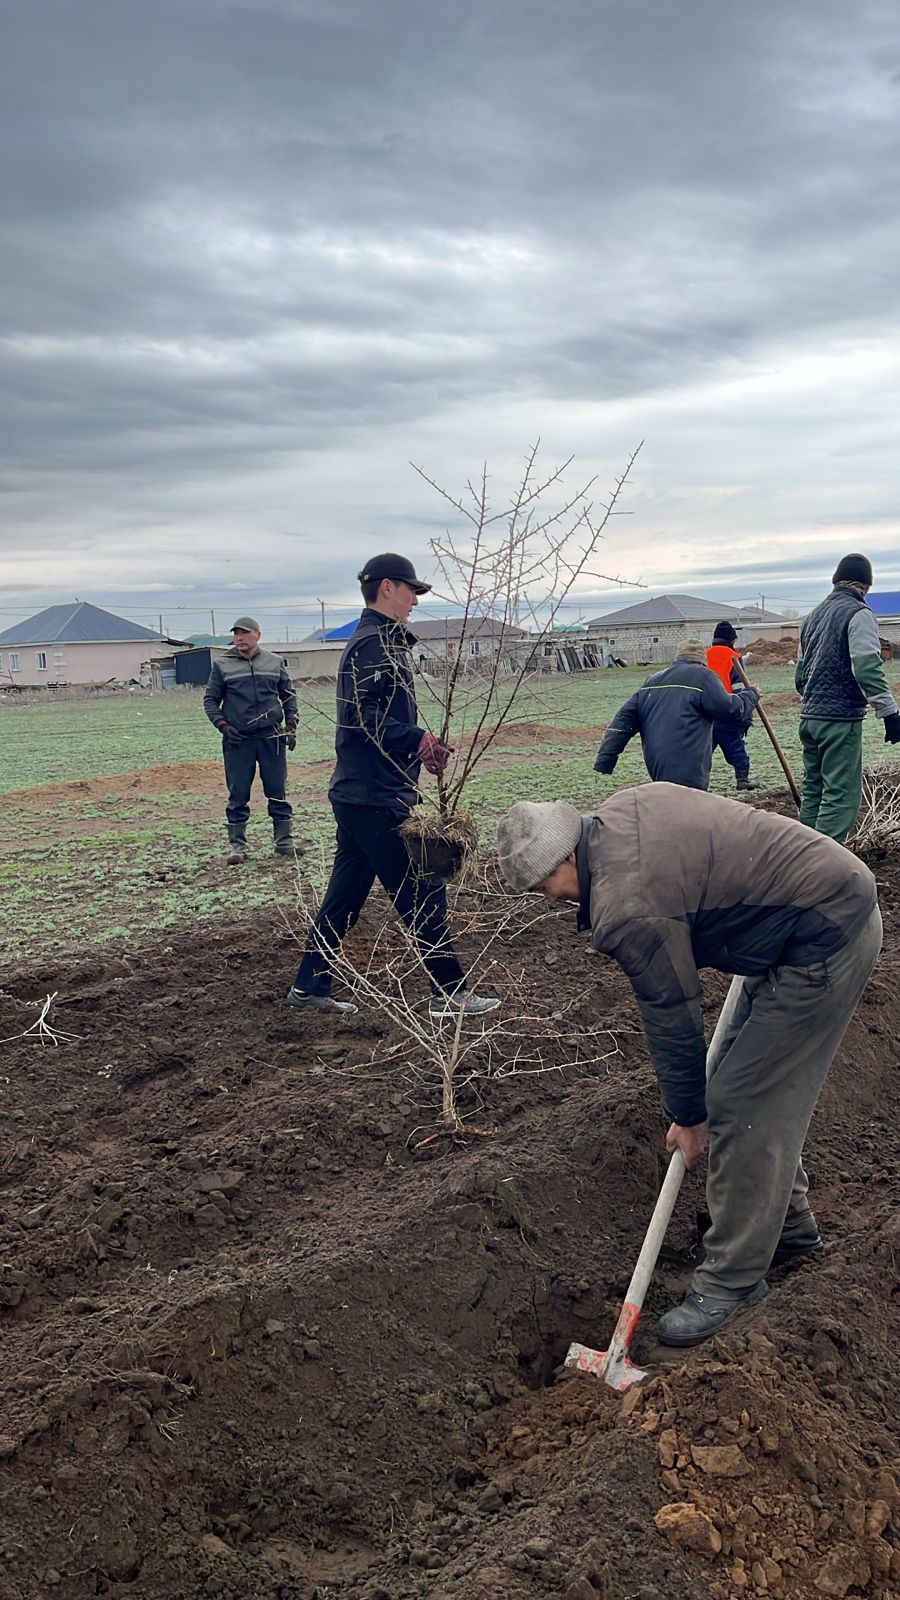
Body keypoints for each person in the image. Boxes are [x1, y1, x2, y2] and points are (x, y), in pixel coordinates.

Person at [495, 785, 881, 1345]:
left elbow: (672, 1012)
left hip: (824, 937)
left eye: (543, 886)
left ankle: (733, 1282)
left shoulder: (626, 907)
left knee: (743, 1103)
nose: (548, 899)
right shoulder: (622, 812)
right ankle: (786, 1230)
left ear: (565, 857)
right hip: (794, 919)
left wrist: (689, 1116)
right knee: (737, 1083)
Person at [286, 553, 498, 1018]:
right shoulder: (373, 646)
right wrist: (416, 739)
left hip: (362, 792)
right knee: (423, 888)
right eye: (411, 591)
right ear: (387, 587)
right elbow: (363, 717)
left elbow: (379, 718)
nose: (415, 601)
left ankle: (309, 986)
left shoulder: (384, 642)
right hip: (374, 795)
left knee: (344, 897)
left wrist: (418, 747)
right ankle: (449, 992)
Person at [796, 553, 900, 841]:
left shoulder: (810, 618)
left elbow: (800, 677)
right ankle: (824, 862)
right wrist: (889, 712)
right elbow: (866, 668)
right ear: (866, 585)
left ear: (836, 581)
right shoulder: (859, 613)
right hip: (839, 721)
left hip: (809, 719)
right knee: (840, 796)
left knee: (814, 791)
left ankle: (799, 854)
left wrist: (815, 701)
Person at [593, 639, 759, 790]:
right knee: (687, 803)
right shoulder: (703, 676)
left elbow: (622, 722)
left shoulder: (652, 681)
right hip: (688, 763)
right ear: (702, 661)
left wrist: (605, 760)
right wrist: (751, 694)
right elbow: (730, 709)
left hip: (657, 762)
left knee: (668, 800)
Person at [202, 617, 299, 864]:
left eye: (244, 633)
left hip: (271, 737)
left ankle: (284, 842)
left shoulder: (274, 662)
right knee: (238, 793)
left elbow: (288, 696)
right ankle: (238, 847)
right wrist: (223, 726)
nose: (239, 638)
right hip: (238, 740)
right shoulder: (222, 664)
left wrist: (291, 725)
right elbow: (210, 700)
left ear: (258, 635)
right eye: (236, 634)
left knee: (277, 790)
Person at [706, 620, 760, 790]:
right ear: (732, 640)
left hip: (705, 713)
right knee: (736, 748)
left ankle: (693, 781)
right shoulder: (733, 657)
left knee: (702, 751)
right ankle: (742, 779)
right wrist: (745, 714)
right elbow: (739, 688)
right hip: (727, 711)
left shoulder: (704, 656)